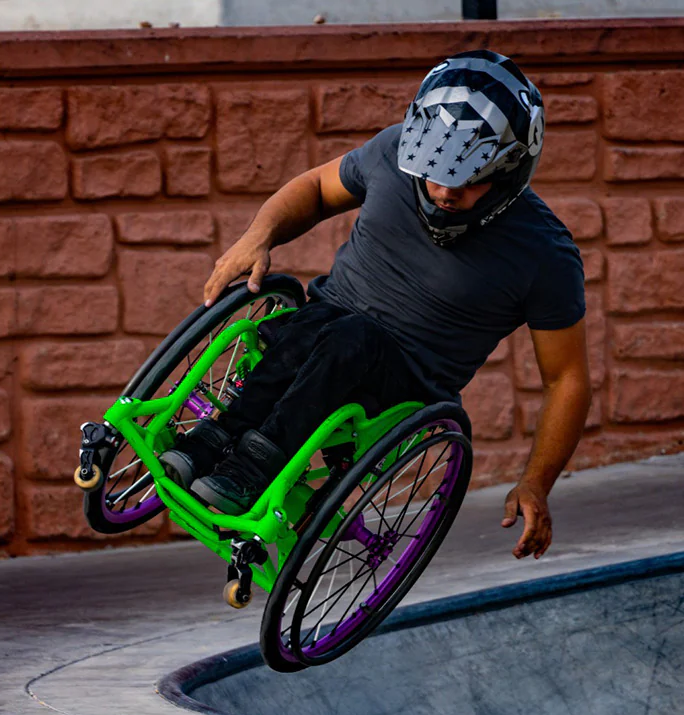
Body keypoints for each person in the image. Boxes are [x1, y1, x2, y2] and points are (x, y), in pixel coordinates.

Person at [158, 50, 590, 561]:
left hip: (405, 381)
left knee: (349, 337)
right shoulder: (393, 155)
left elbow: (568, 380)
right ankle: (211, 442)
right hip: (325, 324)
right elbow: (317, 188)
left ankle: (251, 468)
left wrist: (536, 482)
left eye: (469, 180)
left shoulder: (545, 253)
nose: (446, 191)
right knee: (309, 324)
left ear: (510, 172)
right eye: (435, 171)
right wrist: (259, 236)